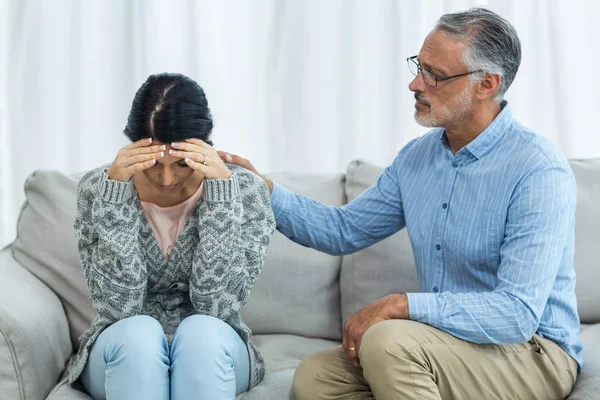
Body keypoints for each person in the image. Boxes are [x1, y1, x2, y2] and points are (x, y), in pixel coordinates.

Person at [218, 7, 581, 400]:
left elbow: (516, 314)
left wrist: (401, 305)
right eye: (418, 67)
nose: (414, 84)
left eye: (434, 75)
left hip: (533, 352)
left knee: (388, 342)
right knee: (316, 378)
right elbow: (343, 230)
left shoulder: (538, 170)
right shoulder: (417, 159)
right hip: (443, 345)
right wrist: (263, 190)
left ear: (486, 84)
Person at [66, 72, 276, 400]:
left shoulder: (245, 191)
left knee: (201, 335)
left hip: (214, 349)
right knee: (137, 335)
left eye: (181, 163)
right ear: (131, 144)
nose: (167, 178)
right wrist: (115, 195)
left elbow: (217, 306)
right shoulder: (99, 190)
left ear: (206, 140)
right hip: (123, 350)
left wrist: (222, 196)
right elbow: (118, 307)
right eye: (153, 164)